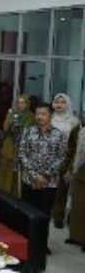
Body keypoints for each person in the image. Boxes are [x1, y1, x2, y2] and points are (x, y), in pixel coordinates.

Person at [18, 103, 67, 250]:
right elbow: (22, 154)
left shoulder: (59, 135)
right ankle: (27, 244)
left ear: (50, 115)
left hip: (49, 182)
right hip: (29, 180)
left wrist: (45, 175)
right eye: (37, 114)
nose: (39, 117)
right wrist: (34, 175)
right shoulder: (28, 131)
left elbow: (61, 157)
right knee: (28, 213)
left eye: (43, 114)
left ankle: (41, 245)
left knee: (44, 214)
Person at [51, 93, 81, 228]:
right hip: (49, 158)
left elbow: (76, 144)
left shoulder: (74, 122)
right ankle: (49, 212)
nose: (59, 105)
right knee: (50, 187)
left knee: (62, 189)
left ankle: (59, 216)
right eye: (57, 102)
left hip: (65, 158)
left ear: (68, 105)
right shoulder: (49, 118)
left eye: (63, 102)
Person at [0, 95, 35, 196]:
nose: (20, 105)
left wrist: (20, 127)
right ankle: (2, 193)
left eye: (23, 103)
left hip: (21, 146)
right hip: (9, 145)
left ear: (27, 104)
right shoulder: (11, 114)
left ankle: (14, 195)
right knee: (5, 169)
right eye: (19, 103)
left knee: (16, 173)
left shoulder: (31, 116)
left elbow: (28, 130)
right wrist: (11, 125)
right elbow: (6, 127)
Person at [67, 126, 85, 251]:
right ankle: (76, 236)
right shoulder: (81, 129)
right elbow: (78, 151)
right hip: (80, 169)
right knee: (77, 205)